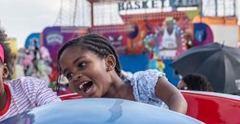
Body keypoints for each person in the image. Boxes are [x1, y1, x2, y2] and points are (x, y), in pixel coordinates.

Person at [57, 34, 187, 113]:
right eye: (69, 75)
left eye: (82, 64)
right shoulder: (91, 109)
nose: (75, 77)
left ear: (109, 63)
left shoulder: (144, 83)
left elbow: (175, 98)